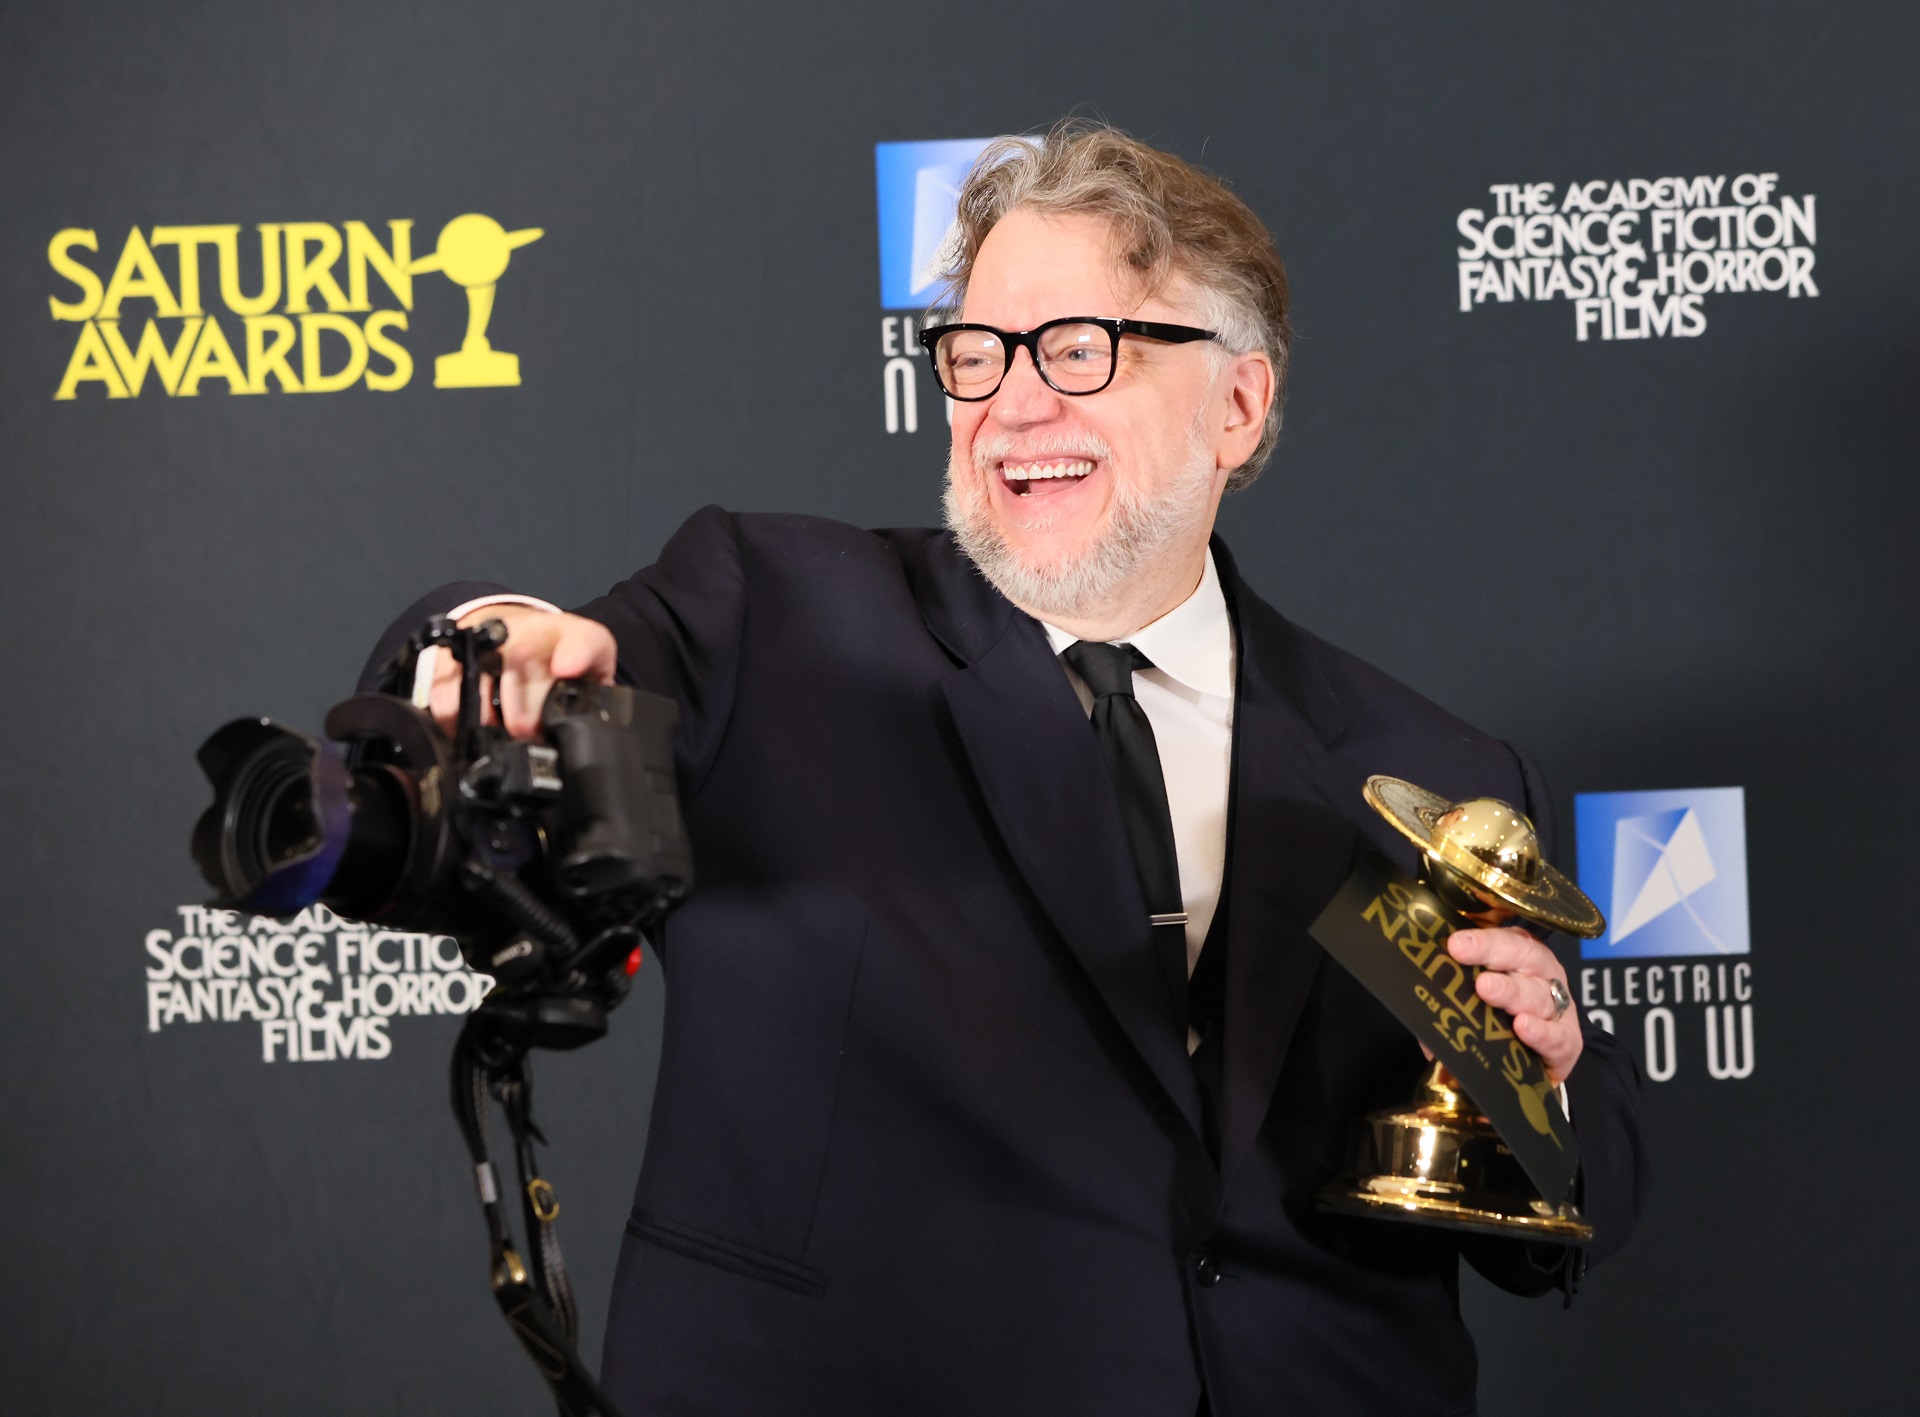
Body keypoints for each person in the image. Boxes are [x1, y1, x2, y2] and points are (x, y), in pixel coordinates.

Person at [366, 121, 1646, 1416]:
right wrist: (494, 652)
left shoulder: (1432, 773)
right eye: (975, 358)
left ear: (1238, 404)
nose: (1012, 405)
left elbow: (1555, 1223)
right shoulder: (778, 618)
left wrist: (1540, 1078)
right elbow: (537, 671)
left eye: (1079, 350)